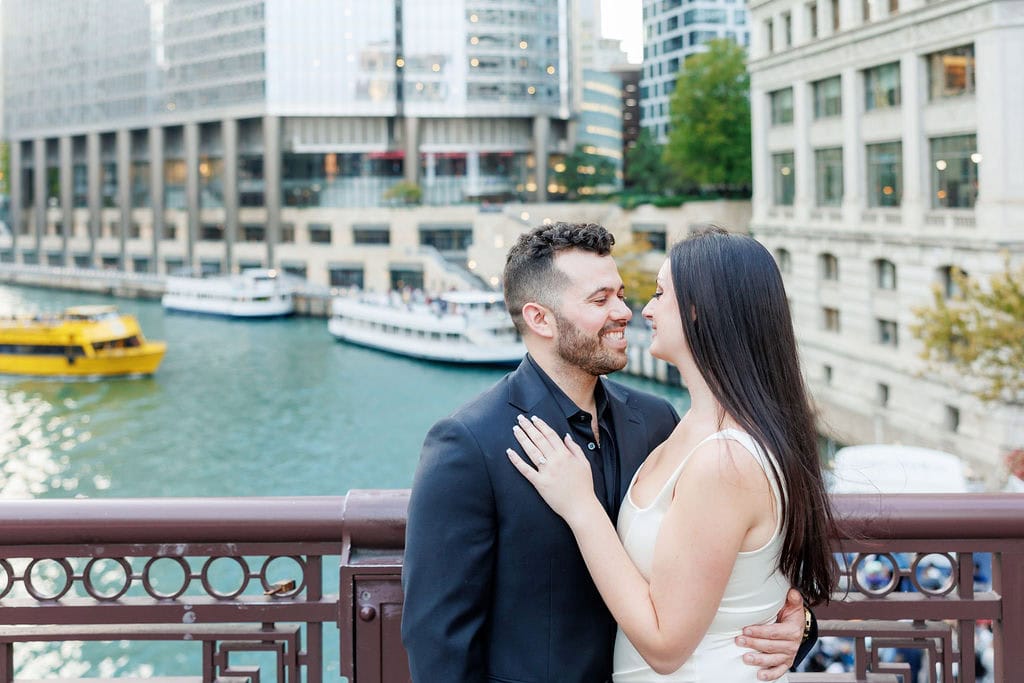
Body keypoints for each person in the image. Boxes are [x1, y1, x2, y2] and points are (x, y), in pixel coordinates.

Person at [402, 222, 816, 683]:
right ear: (540, 319)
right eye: (600, 301)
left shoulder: (659, 420)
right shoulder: (469, 442)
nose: (626, 311)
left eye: (622, 294)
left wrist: (796, 624)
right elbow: (437, 638)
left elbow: (725, 555)